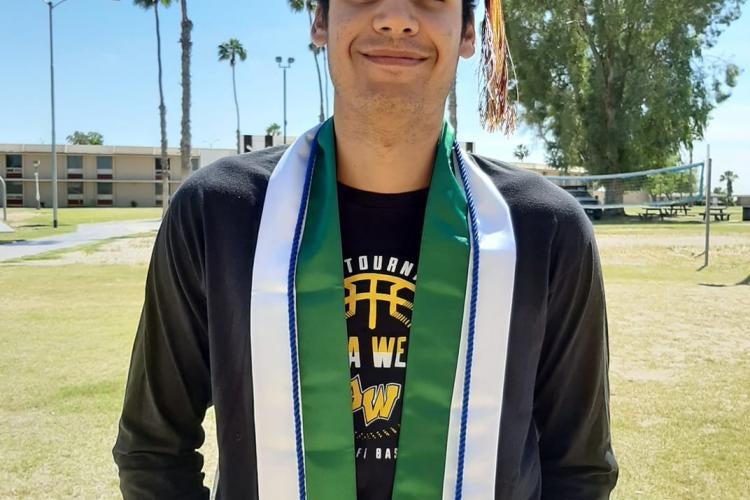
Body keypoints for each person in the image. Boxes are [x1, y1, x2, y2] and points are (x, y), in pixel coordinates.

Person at [112, 0, 619, 498]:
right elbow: (153, 453)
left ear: (468, 32)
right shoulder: (217, 214)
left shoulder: (545, 231)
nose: (395, 16)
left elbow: (579, 470)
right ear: (319, 19)